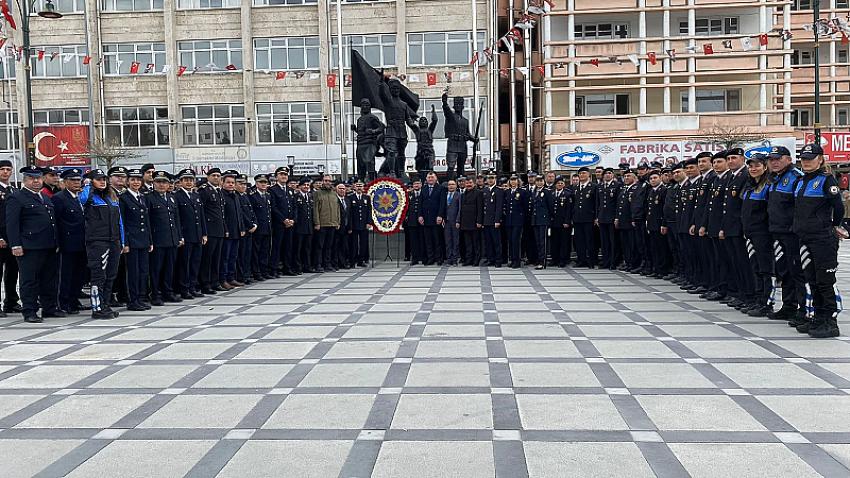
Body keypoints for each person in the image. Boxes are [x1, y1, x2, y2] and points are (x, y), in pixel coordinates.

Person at [791, 144, 847, 337]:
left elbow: (838, 206)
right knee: (811, 279)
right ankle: (818, 317)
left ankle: (831, 321)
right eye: (804, 159)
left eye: (811, 158)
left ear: (820, 159)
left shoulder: (826, 180)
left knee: (825, 280)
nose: (806, 162)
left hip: (823, 239)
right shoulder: (800, 181)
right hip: (804, 238)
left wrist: (833, 225)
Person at [6, 166, 64, 322]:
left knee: (50, 279)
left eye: (38, 178)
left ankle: (49, 308)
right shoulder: (17, 197)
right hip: (29, 246)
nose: (36, 181)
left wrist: (56, 241)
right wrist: (15, 245)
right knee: (29, 280)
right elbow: (12, 224)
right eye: (32, 178)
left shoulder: (44, 198)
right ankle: (30, 311)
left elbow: (53, 222)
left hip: (49, 245)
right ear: (25, 180)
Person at [765, 146, 806, 325]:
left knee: (798, 272)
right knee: (784, 271)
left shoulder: (796, 177)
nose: (774, 162)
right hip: (777, 232)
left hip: (792, 234)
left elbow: (800, 207)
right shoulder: (775, 178)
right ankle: (788, 305)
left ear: (788, 159)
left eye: (778, 159)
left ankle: (804, 309)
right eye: (771, 159)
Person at [79, 169, 125, 320]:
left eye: (104, 179)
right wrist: (87, 185)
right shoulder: (90, 197)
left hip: (114, 241)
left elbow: (120, 222)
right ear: (91, 181)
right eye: (98, 179)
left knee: (111, 275)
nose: (102, 181)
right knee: (99, 276)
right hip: (98, 242)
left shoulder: (111, 198)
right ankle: (97, 308)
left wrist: (122, 240)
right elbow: (83, 199)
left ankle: (105, 304)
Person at [720, 148, 756, 312]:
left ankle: (749, 295)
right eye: (728, 158)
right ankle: (741, 293)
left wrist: (743, 228)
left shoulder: (745, 176)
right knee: (735, 262)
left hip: (740, 228)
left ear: (742, 159)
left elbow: (743, 206)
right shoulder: (731, 176)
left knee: (744, 263)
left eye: (734, 158)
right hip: (730, 227)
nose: (730, 161)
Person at [740, 154, 774, 318]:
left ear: (765, 167)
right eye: (751, 166)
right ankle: (759, 299)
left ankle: (767, 302)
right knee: (756, 268)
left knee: (767, 269)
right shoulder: (749, 186)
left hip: (763, 234)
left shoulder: (768, 186)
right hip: (750, 234)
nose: (753, 169)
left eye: (757, 166)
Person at [51, 169, 87, 315]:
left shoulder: (78, 198)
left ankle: (73, 300)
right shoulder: (59, 198)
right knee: (65, 275)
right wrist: (57, 243)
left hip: (81, 242)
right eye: (73, 180)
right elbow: (56, 222)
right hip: (67, 243)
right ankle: (63, 302)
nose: (77, 183)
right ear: (65, 182)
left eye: (78, 180)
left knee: (79, 274)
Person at [148, 171, 184, 306]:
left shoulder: (171, 197)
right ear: (153, 183)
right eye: (158, 182)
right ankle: (155, 293)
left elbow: (176, 219)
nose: (162, 185)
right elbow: (148, 221)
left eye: (164, 182)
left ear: (169, 184)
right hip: (158, 239)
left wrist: (179, 236)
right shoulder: (149, 198)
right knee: (156, 269)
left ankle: (168, 292)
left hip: (172, 238)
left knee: (170, 267)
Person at [120, 168, 153, 311]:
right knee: (133, 272)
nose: (136, 182)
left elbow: (147, 221)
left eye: (138, 180)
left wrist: (150, 240)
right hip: (132, 241)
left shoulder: (142, 197)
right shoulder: (124, 198)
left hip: (143, 239)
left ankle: (141, 297)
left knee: (143, 271)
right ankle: (133, 300)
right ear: (127, 181)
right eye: (133, 179)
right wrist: (125, 242)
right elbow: (122, 222)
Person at [174, 169, 206, 299]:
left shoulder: (195, 196)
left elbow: (201, 216)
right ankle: (184, 288)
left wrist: (204, 233)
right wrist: (180, 236)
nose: (188, 182)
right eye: (186, 180)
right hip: (186, 236)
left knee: (195, 262)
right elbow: (177, 219)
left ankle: (193, 286)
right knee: (184, 263)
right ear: (180, 182)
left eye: (191, 180)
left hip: (197, 235)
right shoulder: (176, 196)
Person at [198, 168, 225, 294]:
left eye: (218, 176)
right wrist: (204, 231)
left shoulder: (218, 191)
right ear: (207, 177)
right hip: (210, 230)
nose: (216, 177)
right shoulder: (204, 191)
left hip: (219, 230)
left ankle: (215, 281)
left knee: (216, 258)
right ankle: (205, 283)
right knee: (207, 259)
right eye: (213, 175)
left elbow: (221, 213)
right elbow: (201, 211)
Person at [0, 160, 21, 315]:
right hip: (1, 237)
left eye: (8, 169)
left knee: (13, 271)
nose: (6, 172)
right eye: (2, 169)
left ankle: (11, 301)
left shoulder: (13, 190)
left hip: (12, 238)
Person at [442, 93, 477, 179]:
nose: (458, 106)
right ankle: (449, 182)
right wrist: (445, 103)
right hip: (452, 145)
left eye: (460, 104)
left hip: (462, 146)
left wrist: (474, 139)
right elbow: (446, 111)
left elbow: (467, 133)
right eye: (456, 104)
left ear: (462, 106)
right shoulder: (451, 117)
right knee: (451, 167)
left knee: (461, 168)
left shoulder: (465, 121)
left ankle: (460, 182)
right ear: (454, 106)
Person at [220, 171, 245, 288]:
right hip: (227, 232)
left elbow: (239, 214)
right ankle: (223, 279)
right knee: (225, 256)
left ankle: (231, 277)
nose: (230, 185)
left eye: (232, 183)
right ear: (222, 183)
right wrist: (225, 229)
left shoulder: (235, 196)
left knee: (233, 256)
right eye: (228, 182)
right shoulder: (221, 195)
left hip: (236, 231)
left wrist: (241, 228)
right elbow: (222, 215)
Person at [270, 167, 295, 277]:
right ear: (276, 177)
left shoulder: (290, 190)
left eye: (285, 174)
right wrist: (283, 219)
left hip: (290, 223)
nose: (284, 176)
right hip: (279, 223)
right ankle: (274, 268)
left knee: (288, 246)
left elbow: (294, 207)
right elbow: (274, 207)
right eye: (281, 174)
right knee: (277, 246)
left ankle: (287, 267)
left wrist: (293, 219)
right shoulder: (273, 190)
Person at [352, 98, 385, 181]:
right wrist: (355, 129)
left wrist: (373, 131)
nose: (365, 107)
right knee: (360, 164)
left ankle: (372, 180)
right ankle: (361, 180)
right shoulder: (359, 119)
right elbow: (361, 132)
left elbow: (381, 127)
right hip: (360, 143)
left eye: (367, 105)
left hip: (369, 144)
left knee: (370, 163)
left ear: (370, 107)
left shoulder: (372, 117)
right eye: (363, 105)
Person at [313, 174, 340, 272]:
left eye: (329, 181)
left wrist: (338, 221)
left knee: (329, 246)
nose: (327, 182)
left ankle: (327, 264)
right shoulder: (317, 193)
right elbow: (315, 208)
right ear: (322, 181)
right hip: (322, 224)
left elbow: (337, 208)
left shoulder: (334, 193)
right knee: (319, 246)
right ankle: (318, 264)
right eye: (326, 180)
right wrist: (317, 222)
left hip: (332, 223)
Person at [573, 167, 599, 268]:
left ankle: (591, 261)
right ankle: (581, 260)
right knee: (579, 241)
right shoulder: (575, 188)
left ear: (588, 175)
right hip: (577, 218)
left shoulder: (594, 187)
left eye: (584, 173)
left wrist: (596, 217)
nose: (582, 175)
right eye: (580, 174)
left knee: (590, 240)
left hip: (589, 218)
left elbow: (597, 203)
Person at [645, 170, 669, 278]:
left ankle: (663, 270)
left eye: (655, 178)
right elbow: (649, 209)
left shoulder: (664, 190)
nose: (653, 180)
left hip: (660, 224)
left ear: (660, 178)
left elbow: (665, 209)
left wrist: (664, 223)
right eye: (651, 179)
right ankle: (656, 268)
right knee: (654, 248)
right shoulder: (651, 191)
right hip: (652, 224)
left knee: (662, 248)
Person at [250, 174, 274, 279]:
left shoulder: (268, 195)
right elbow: (252, 213)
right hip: (258, 228)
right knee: (256, 251)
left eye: (265, 182)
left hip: (267, 227)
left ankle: (264, 271)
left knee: (265, 250)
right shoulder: (253, 196)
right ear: (256, 183)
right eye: (261, 182)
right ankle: (257, 272)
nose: (264, 184)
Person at [236, 174, 258, 283]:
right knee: (241, 254)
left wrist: (255, 224)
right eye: (240, 184)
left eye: (244, 184)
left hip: (250, 229)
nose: (243, 186)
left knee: (247, 253)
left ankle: (246, 274)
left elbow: (251, 212)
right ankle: (241, 276)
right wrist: (250, 225)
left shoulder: (245, 196)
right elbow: (241, 214)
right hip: (243, 229)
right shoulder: (236, 196)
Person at [597, 168, 621, 270]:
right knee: (604, 241)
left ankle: (613, 261)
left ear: (613, 175)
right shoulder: (600, 186)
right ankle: (605, 261)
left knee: (613, 241)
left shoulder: (617, 185)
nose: (607, 175)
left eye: (609, 173)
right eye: (605, 173)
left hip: (611, 217)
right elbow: (598, 203)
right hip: (602, 218)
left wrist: (617, 217)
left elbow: (618, 203)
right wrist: (597, 217)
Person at [419, 172, 444, 266]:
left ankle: (439, 258)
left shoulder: (440, 188)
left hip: (436, 218)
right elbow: (421, 203)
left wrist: (440, 215)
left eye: (432, 177)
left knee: (437, 240)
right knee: (428, 240)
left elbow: (442, 203)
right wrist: (420, 215)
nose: (430, 179)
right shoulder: (424, 188)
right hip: (425, 219)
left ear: (436, 178)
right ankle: (430, 258)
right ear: (426, 179)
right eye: (429, 177)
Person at [456, 177, 482, 266]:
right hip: (465, 223)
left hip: (475, 222)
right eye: (467, 183)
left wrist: (479, 221)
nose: (468, 184)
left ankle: (476, 260)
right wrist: (459, 221)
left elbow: (480, 208)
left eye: (470, 183)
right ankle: (469, 259)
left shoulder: (478, 193)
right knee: (468, 244)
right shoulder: (463, 195)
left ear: (474, 183)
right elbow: (461, 209)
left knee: (476, 243)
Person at [504, 174, 528, 269]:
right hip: (509, 220)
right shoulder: (507, 192)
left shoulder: (522, 192)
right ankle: (512, 259)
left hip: (518, 220)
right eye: (511, 180)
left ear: (518, 181)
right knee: (510, 240)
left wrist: (523, 219)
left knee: (516, 240)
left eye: (515, 180)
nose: (513, 182)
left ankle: (517, 260)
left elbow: (525, 207)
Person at [530, 175, 554, 270]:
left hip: (543, 220)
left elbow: (550, 206)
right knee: (537, 241)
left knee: (542, 241)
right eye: (538, 181)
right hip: (535, 219)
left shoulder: (547, 192)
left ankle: (542, 262)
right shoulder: (534, 192)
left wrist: (550, 218)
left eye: (541, 181)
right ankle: (538, 259)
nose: (539, 183)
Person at [481, 171, 503, 267]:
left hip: (494, 221)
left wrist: (497, 220)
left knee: (496, 241)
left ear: (495, 179)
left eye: (492, 178)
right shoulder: (484, 191)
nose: (490, 180)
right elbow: (482, 207)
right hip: (486, 220)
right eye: (489, 178)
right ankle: (490, 259)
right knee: (488, 242)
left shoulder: (498, 191)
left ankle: (498, 260)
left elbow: (499, 207)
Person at [410, 106, 438, 180]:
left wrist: (433, 112)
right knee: (420, 170)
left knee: (430, 169)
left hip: (429, 152)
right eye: (421, 120)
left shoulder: (430, 130)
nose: (423, 122)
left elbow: (435, 120)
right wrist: (410, 114)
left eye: (425, 120)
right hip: (420, 152)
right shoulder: (417, 130)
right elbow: (410, 124)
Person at [551, 176, 574, 268]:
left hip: (564, 222)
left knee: (564, 242)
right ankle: (555, 259)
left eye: (561, 183)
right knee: (555, 241)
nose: (560, 185)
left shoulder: (568, 194)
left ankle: (563, 260)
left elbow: (569, 209)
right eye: (558, 183)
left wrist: (567, 221)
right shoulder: (552, 193)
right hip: (554, 222)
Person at [293, 177, 315, 273]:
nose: (306, 187)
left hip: (308, 227)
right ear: (300, 186)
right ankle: (297, 266)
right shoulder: (296, 197)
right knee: (298, 248)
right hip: (299, 227)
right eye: (304, 185)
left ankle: (307, 266)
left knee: (308, 248)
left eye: (307, 185)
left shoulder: (310, 196)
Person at [348, 180, 371, 267]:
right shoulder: (350, 197)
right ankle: (353, 261)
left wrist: (369, 222)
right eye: (357, 185)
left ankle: (361, 260)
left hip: (364, 224)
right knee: (354, 243)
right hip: (354, 224)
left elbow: (369, 210)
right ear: (354, 187)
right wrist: (350, 226)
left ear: (363, 187)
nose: (359, 187)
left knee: (363, 243)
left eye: (360, 186)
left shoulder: (366, 197)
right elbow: (349, 213)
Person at [442, 179, 461, 266]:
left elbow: (460, 209)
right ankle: (449, 258)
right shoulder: (444, 195)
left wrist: (458, 220)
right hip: (446, 222)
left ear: (456, 186)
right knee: (448, 241)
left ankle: (454, 259)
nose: (451, 186)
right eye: (449, 184)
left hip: (455, 221)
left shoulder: (458, 195)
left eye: (453, 184)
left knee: (455, 241)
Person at [405, 178, 424, 265]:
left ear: (421, 184)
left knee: (422, 239)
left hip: (422, 220)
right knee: (413, 240)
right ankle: (415, 258)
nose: (416, 185)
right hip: (411, 220)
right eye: (415, 184)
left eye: (418, 183)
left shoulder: (424, 193)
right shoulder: (408, 194)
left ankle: (423, 257)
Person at [334, 181, 351, 269]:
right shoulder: (334, 200)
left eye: (343, 189)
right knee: (336, 246)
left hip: (346, 227)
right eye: (340, 189)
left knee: (344, 246)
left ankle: (343, 262)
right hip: (337, 226)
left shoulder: (347, 200)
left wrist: (350, 227)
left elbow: (350, 214)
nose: (342, 190)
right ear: (336, 190)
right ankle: (337, 263)